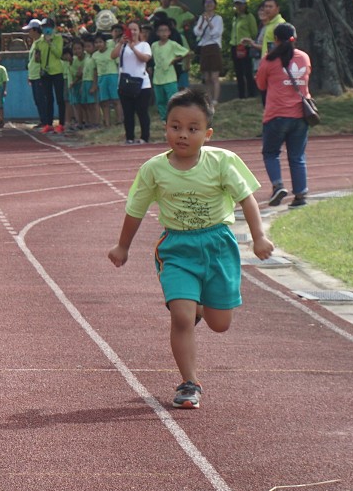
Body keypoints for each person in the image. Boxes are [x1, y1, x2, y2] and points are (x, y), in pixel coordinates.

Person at [107, 88, 273, 411]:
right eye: (176, 127)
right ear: (165, 128)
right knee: (181, 316)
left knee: (220, 323)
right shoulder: (154, 170)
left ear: (207, 134)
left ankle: (199, 307)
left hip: (218, 246)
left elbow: (247, 200)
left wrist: (259, 237)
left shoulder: (221, 162)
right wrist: (122, 246)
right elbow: (135, 210)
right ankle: (189, 382)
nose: (183, 134)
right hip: (177, 248)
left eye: (192, 129)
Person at [253, 22, 312, 208]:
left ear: (275, 39)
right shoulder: (304, 57)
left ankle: (278, 185)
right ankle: (300, 195)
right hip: (301, 115)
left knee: (271, 153)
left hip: (276, 115)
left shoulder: (269, 59)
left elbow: (260, 85)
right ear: (295, 38)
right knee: (297, 156)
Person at [114, 20, 153, 144]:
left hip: (142, 84)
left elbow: (145, 58)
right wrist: (121, 43)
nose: (133, 32)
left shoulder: (144, 45)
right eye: (130, 30)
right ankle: (129, 137)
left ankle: (144, 137)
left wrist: (133, 48)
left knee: (142, 111)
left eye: (135, 29)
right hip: (125, 83)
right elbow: (113, 55)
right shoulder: (123, 46)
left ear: (139, 32)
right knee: (128, 112)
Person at [149, 18, 189, 121]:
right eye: (161, 30)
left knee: (173, 99)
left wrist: (174, 60)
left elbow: (186, 52)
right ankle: (164, 119)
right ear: (157, 33)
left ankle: (175, 117)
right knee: (160, 100)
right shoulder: (154, 45)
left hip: (170, 77)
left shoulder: (172, 44)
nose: (163, 33)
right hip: (157, 77)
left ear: (169, 32)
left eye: (165, 30)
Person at [192, 0, 225, 106]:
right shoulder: (201, 18)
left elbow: (216, 33)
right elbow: (197, 32)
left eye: (211, 2)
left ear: (215, 5)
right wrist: (202, 22)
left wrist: (208, 22)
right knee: (206, 77)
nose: (208, 4)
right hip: (204, 47)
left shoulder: (218, 18)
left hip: (214, 46)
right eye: (206, 2)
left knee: (214, 76)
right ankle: (209, 99)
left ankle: (215, 99)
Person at [227, 0, 259, 100]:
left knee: (247, 71)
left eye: (241, 4)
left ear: (245, 5)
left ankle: (251, 93)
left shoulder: (249, 17)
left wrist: (248, 40)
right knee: (238, 71)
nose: (239, 6)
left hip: (245, 46)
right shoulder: (235, 18)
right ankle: (241, 95)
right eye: (237, 4)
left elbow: (254, 32)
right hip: (235, 46)